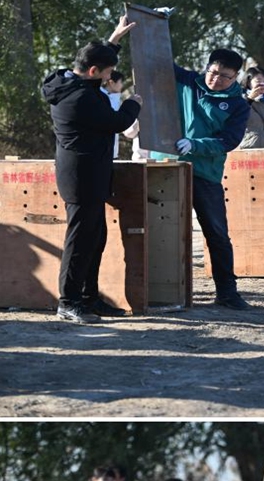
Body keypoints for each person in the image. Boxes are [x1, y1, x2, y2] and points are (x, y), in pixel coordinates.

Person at [42, 15, 142, 324]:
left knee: (95, 237)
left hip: (91, 173)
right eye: (107, 73)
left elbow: (94, 59)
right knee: (80, 241)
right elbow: (116, 123)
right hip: (81, 176)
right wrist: (133, 103)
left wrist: (114, 39)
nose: (109, 79)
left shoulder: (68, 80)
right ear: (93, 72)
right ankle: (68, 301)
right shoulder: (80, 98)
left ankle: (89, 298)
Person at [172, 48, 251, 310]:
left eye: (224, 77)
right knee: (164, 230)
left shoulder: (238, 104)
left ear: (235, 77)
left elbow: (229, 140)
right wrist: (156, 23)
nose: (215, 80)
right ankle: (163, 289)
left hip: (206, 173)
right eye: (213, 72)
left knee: (216, 233)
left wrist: (195, 145)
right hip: (170, 169)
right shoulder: (188, 81)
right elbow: (158, 59)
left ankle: (227, 292)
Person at [100, 69, 125, 157]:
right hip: (100, 149)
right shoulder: (99, 96)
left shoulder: (117, 97)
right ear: (111, 82)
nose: (122, 85)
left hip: (112, 150)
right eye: (120, 82)